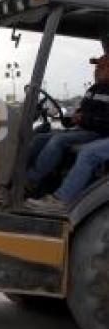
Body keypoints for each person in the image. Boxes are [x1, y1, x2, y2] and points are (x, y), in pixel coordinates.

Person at [26, 55, 109, 213]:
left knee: (67, 144)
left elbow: (104, 122)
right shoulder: (92, 90)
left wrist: (84, 119)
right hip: (85, 129)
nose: (96, 71)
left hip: (98, 132)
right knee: (39, 138)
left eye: (101, 68)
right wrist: (67, 119)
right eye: (96, 68)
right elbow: (80, 114)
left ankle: (51, 193)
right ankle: (22, 179)